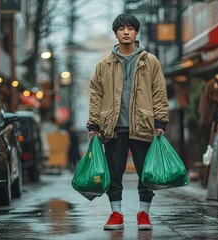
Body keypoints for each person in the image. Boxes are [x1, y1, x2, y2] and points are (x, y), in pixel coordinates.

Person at [86, 13, 169, 231]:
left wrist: (160, 121)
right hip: (113, 127)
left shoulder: (150, 62)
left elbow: (159, 92)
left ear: (136, 32)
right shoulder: (104, 65)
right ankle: (116, 214)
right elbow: (95, 95)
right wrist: (94, 125)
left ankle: (144, 214)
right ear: (115, 33)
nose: (125, 32)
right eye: (121, 28)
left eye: (130, 28)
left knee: (146, 172)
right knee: (114, 173)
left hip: (143, 125)